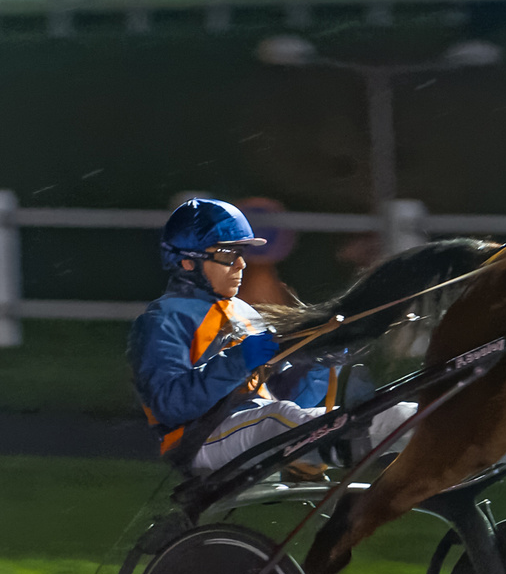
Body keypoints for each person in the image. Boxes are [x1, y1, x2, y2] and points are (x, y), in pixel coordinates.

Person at [128, 197, 414, 478]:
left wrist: (320, 364)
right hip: (199, 441)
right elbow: (169, 405)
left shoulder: (244, 312)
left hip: (263, 427)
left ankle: (438, 436)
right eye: (228, 255)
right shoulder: (163, 319)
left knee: (397, 413)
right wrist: (239, 360)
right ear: (189, 262)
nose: (241, 264)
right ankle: (330, 446)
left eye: (242, 254)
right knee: (279, 418)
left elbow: (291, 398)